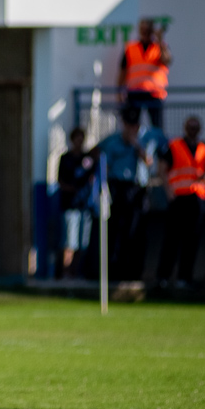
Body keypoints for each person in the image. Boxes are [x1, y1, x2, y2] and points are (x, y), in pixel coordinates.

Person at [94, 106, 154, 281]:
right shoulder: (112, 141)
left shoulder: (145, 140)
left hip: (138, 189)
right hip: (118, 188)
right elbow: (103, 162)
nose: (131, 129)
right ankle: (114, 270)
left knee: (137, 231)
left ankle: (134, 272)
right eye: (128, 125)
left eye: (134, 126)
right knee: (117, 229)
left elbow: (148, 161)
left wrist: (136, 144)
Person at [156, 116, 205, 287]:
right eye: (190, 126)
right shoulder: (174, 145)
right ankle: (163, 277)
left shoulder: (204, 149)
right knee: (172, 239)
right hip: (178, 197)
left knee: (192, 240)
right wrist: (168, 192)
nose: (193, 130)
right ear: (185, 127)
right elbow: (162, 169)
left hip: (197, 198)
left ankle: (184, 278)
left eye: (196, 127)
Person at [56, 127, 95, 278]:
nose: (79, 142)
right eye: (76, 139)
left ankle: (76, 272)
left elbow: (92, 177)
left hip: (84, 205)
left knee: (82, 242)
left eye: (81, 139)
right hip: (69, 205)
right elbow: (60, 181)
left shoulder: (87, 159)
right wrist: (72, 188)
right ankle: (65, 272)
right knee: (69, 241)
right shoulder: (65, 158)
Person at [120, 18, 171, 130]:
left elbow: (167, 60)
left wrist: (160, 40)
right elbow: (122, 72)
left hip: (154, 93)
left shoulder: (160, 47)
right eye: (143, 29)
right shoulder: (130, 48)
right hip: (134, 93)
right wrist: (119, 92)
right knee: (131, 125)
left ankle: (156, 142)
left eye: (148, 29)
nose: (145, 32)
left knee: (157, 127)